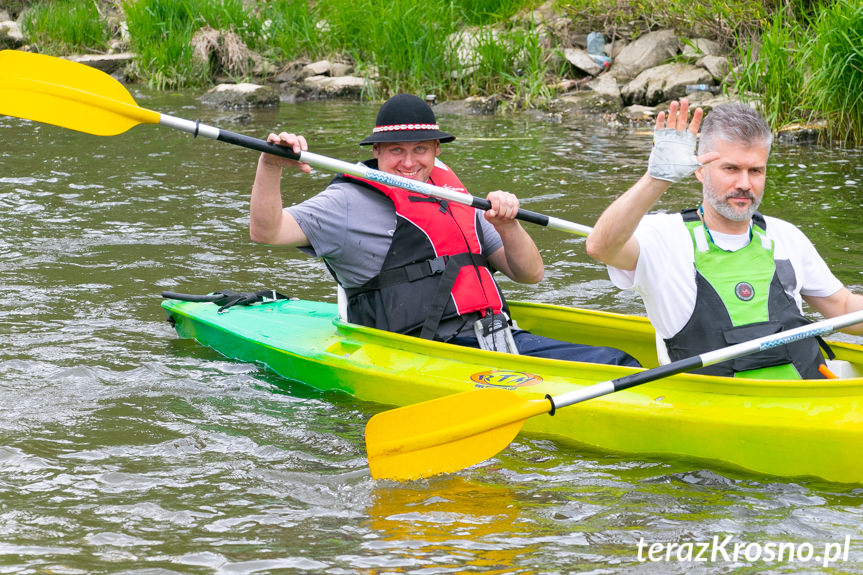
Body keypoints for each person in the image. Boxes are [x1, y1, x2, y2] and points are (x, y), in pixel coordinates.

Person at [249, 93, 639, 366]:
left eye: (419, 149)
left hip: (492, 337)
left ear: (436, 149)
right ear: (377, 153)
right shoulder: (348, 203)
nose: (407, 162)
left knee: (619, 359)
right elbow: (267, 232)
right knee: (616, 362)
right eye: (396, 151)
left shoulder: (452, 195)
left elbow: (530, 275)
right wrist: (270, 167)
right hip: (428, 352)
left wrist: (508, 226)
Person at [586, 99, 863, 378]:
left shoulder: (785, 235)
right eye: (730, 169)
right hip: (715, 403)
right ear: (700, 170)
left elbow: (843, 307)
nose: (744, 183)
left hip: (811, 398)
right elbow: (600, 247)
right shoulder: (663, 236)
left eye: (755, 170)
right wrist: (657, 179)